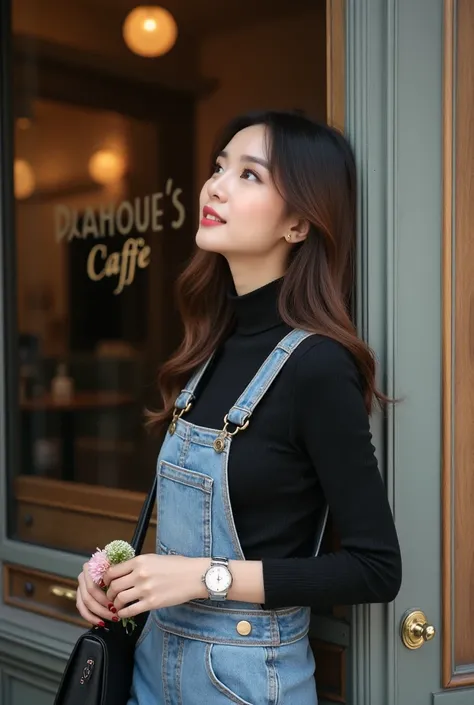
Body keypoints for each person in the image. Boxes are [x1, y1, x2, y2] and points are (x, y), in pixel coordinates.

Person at [76, 110, 402, 704]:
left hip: (245, 683)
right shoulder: (208, 349)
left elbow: (374, 567)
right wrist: (114, 578)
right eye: (219, 167)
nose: (216, 186)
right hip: (152, 669)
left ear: (299, 222)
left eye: (250, 175)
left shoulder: (317, 366)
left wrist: (203, 577)